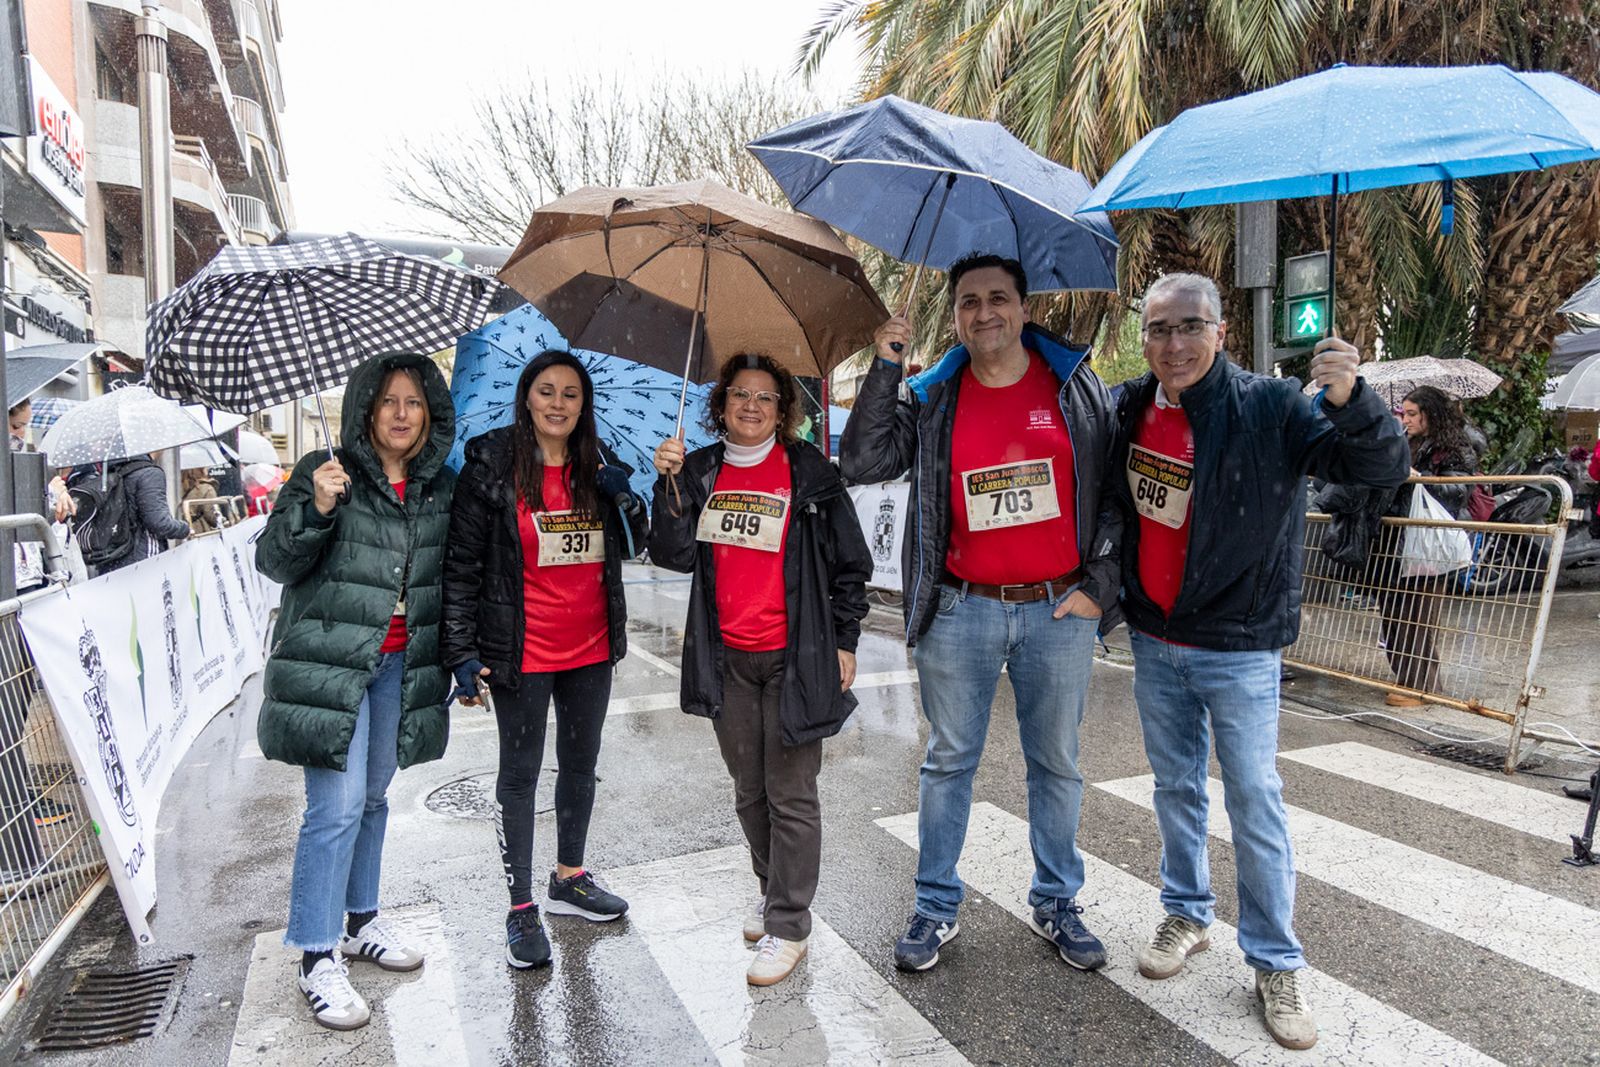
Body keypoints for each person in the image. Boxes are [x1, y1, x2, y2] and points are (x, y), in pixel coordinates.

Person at [1110, 273, 1409, 1051]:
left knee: (1254, 800)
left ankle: (1275, 960)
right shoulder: (1131, 407)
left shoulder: (1272, 406)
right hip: (1155, 636)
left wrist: (1355, 399)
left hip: (1239, 644)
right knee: (1174, 785)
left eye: (1188, 326)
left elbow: (1375, 470)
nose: (1173, 344)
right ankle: (1187, 910)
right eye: (1158, 329)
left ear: (1220, 331)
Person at [839, 253, 1121, 974]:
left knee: (1055, 763)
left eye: (999, 298)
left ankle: (1058, 899)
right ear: (956, 315)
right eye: (969, 301)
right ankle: (935, 906)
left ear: (1024, 309)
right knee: (948, 761)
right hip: (961, 608)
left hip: (1058, 609)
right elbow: (864, 460)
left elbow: (1116, 491)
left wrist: (1100, 583)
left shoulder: (1074, 387)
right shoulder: (932, 395)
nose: (984, 311)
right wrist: (884, 367)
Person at [651, 352, 870, 987]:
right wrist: (666, 486)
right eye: (740, 395)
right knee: (750, 790)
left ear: (783, 410)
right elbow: (671, 555)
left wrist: (845, 640)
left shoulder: (809, 472)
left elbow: (850, 565)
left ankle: (789, 924)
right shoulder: (699, 469)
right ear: (722, 405)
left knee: (792, 792)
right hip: (726, 659)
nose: (752, 406)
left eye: (766, 397)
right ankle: (775, 892)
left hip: (796, 656)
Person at [254, 353, 456, 1032]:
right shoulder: (326, 469)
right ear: (368, 408)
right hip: (334, 666)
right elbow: (275, 561)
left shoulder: (436, 485)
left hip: (401, 664)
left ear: (431, 414)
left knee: (373, 797)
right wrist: (314, 505)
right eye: (390, 401)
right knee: (333, 809)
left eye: (415, 403)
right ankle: (316, 952)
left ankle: (362, 918)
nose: (402, 413)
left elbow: (446, 579)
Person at [442, 351, 647, 971]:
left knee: (580, 764)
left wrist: (630, 498)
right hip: (522, 649)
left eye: (571, 395)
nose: (558, 404)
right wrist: (461, 649)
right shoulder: (491, 465)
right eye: (547, 391)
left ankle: (569, 878)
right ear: (526, 397)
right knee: (520, 774)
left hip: (590, 646)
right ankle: (521, 906)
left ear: (584, 407)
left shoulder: (599, 464)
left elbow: (643, 545)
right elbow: (462, 565)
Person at [1377, 385, 1481, 705]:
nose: (1405, 419)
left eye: (1412, 414)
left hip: (1430, 540)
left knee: (1418, 613)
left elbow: (1458, 492)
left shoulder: (1455, 447)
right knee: (1392, 612)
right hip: (1398, 538)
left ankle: (1422, 684)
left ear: (1430, 414)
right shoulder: (1404, 441)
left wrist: (1418, 478)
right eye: (1403, 413)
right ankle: (1407, 678)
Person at [66, 452, 191, 573]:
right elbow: (159, 523)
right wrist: (185, 528)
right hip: (145, 560)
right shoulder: (149, 473)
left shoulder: (109, 474)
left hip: (112, 558)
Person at [181, 467, 225, 533]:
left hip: (184, 530)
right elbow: (210, 514)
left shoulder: (182, 487)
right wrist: (219, 522)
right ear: (202, 470)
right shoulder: (208, 488)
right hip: (200, 531)